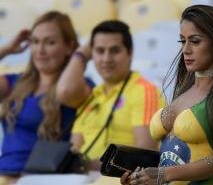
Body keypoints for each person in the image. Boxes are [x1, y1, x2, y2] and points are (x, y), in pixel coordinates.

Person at [120, 4, 213, 185]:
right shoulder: (183, 89)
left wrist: (164, 174)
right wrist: (141, 177)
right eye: (182, 41)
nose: (186, 49)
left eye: (195, 41)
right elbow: (169, 159)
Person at [56, 20, 164, 170]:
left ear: (129, 53)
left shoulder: (145, 91)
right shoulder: (92, 95)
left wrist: (90, 166)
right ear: (91, 54)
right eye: (100, 51)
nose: (106, 59)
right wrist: (80, 55)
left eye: (114, 50)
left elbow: (144, 157)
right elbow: (74, 150)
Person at [0, 11, 89, 182]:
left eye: (50, 42)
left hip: (42, 178)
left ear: (69, 46)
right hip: (4, 174)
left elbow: (65, 91)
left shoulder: (78, 85)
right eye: (35, 41)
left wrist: (79, 57)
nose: (40, 50)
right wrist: (6, 50)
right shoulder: (14, 82)